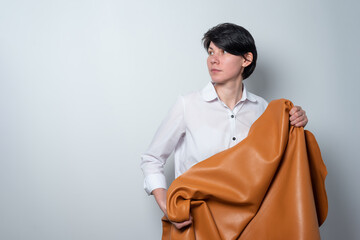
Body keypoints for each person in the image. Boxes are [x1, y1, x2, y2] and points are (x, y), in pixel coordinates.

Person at [140, 23, 308, 230]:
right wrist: (167, 207)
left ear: (246, 59)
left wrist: (296, 123)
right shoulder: (188, 104)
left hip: (251, 224)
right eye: (211, 52)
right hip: (198, 221)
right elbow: (152, 158)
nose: (213, 59)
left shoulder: (263, 109)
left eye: (224, 51)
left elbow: (281, 167)